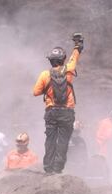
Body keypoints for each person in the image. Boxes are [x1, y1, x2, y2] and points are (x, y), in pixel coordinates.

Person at [33, 33, 83, 174]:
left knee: (50, 139)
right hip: (67, 112)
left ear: (51, 61)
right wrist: (78, 46)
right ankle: (58, 168)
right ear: (63, 59)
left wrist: (47, 89)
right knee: (63, 140)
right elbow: (75, 57)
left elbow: (35, 92)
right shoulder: (68, 70)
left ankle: (48, 167)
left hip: (51, 111)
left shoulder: (45, 74)